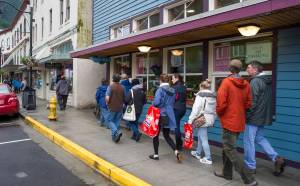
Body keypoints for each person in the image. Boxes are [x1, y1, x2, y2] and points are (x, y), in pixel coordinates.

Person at [214, 59, 257, 186]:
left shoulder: (226, 82)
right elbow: (249, 103)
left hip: (229, 121)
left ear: (230, 69)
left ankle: (249, 179)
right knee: (227, 147)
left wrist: (221, 115)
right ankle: (227, 174)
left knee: (230, 149)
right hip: (239, 121)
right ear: (240, 69)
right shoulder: (246, 84)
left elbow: (221, 104)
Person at [244, 60, 286, 176]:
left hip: (253, 117)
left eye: (248, 67)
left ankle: (250, 166)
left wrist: (246, 115)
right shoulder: (266, 81)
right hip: (262, 116)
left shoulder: (255, 81)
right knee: (260, 138)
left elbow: (252, 102)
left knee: (249, 141)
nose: (247, 70)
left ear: (255, 69)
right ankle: (277, 158)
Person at [149, 74, 183, 162]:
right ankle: (176, 151)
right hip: (169, 113)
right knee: (166, 135)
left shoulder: (160, 90)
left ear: (160, 80)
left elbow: (157, 102)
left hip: (160, 114)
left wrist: (153, 103)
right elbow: (174, 100)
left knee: (155, 134)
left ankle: (156, 155)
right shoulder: (172, 90)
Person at [189, 79, 216, 165]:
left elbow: (195, 109)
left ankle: (208, 158)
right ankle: (198, 153)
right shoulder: (213, 96)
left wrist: (190, 119)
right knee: (201, 136)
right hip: (210, 118)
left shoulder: (200, 95)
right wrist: (213, 119)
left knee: (204, 138)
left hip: (201, 118)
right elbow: (215, 110)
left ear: (201, 86)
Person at [105, 74, 125, 143]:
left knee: (109, 121)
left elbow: (107, 98)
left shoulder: (110, 87)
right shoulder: (122, 87)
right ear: (119, 79)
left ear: (113, 79)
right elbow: (124, 97)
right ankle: (114, 136)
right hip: (120, 107)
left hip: (112, 107)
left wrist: (107, 104)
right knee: (117, 121)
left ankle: (116, 131)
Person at [171, 74, 186, 151]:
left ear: (177, 78)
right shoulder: (184, 87)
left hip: (176, 108)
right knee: (177, 124)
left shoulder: (174, 87)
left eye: (173, 78)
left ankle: (178, 145)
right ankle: (179, 142)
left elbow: (174, 98)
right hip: (183, 109)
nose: (172, 80)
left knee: (176, 126)